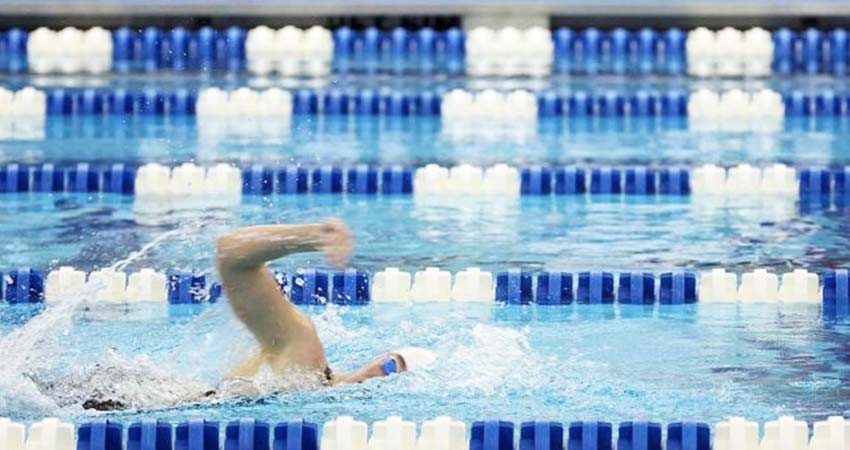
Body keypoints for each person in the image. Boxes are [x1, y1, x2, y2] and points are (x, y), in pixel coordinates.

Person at [215, 219, 433, 387]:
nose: (381, 375)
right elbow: (229, 253)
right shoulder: (304, 355)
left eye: (392, 373)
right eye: (390, 364)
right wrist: (313, 236)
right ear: (379, 358)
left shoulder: (314, 389)